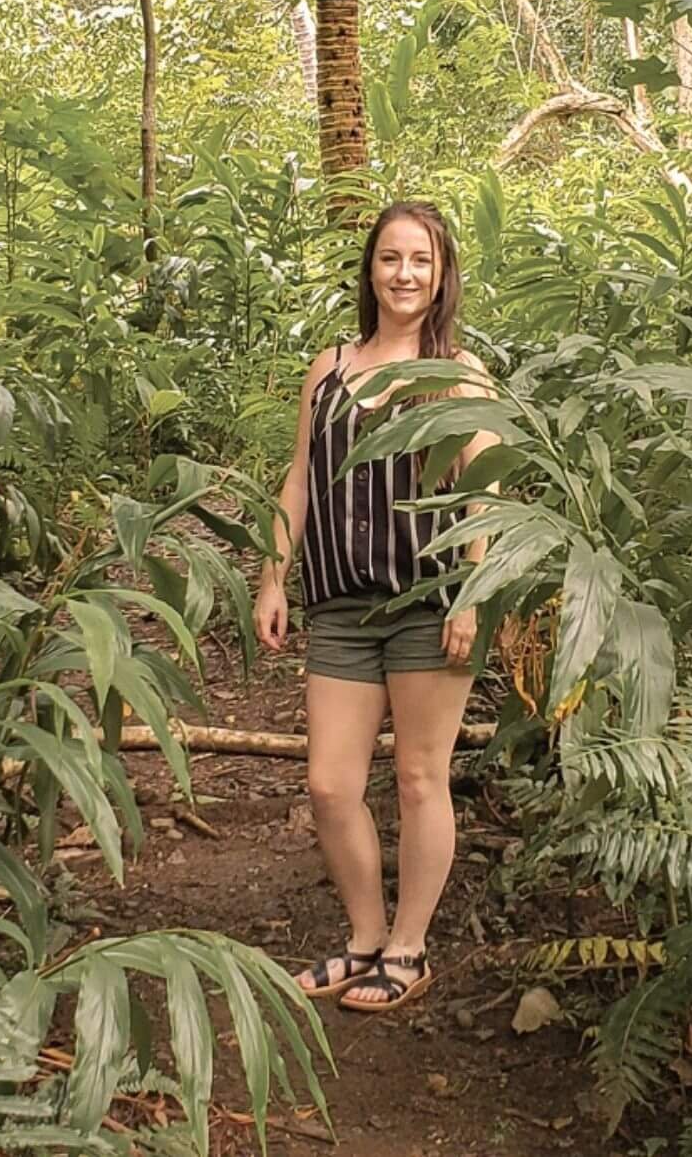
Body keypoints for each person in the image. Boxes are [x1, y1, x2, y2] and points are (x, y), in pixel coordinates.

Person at [253, 200, 494, 1014]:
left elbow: (486, 497)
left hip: (430, 603)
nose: (403, 274)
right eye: (390, 258)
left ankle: (409, 945)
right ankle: (363, 936)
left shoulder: (459, 373)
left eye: (419, 260)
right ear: (370, 270)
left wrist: (472, 594)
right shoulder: (330, 368)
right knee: (329, 783)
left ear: (440, 273)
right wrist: (273, 576)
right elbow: (298, 477)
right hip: (342, 604)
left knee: (423, 776)